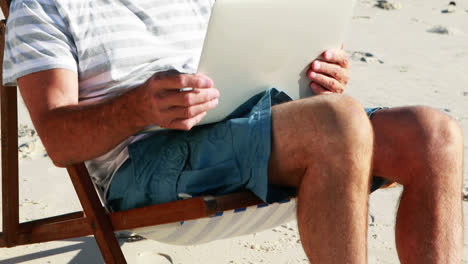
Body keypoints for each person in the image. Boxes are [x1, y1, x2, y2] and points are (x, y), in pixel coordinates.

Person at [3, 0, 463, 263]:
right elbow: (59, 138)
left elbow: (252, 60)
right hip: (146, 164)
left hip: (251, 128)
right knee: (338, 123)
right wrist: (136, 107)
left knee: (433, 135)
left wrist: (315, 77)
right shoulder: (44, 6)